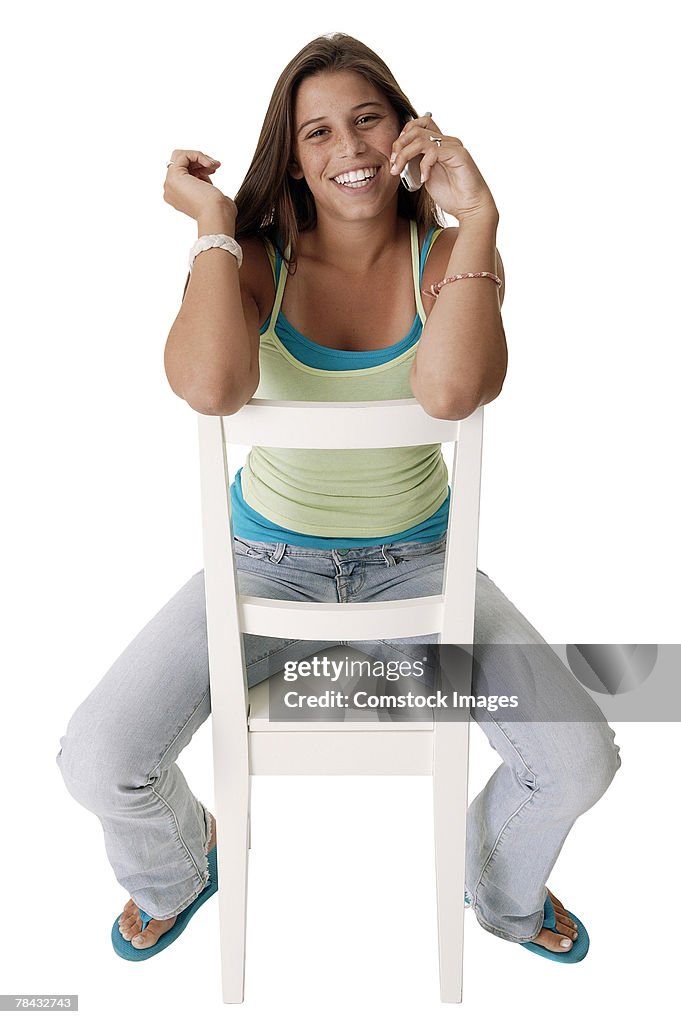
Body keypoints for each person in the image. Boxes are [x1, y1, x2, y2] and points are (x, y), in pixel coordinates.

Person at [56, 32, 621, 964]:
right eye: (317, 132)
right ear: (293, 153)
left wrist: (479, 216)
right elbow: (209, 388)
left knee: (578, 763)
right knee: (100, 761)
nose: (350, 149)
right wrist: (211, 223)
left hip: (422, 571)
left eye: (368, 120)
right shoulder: (249, 262)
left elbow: (451, 393)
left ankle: (498, 887)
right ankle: (179, 870)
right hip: (260, 566)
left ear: (406, 132)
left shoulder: (444, 258)